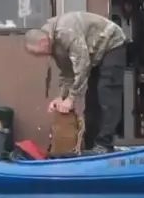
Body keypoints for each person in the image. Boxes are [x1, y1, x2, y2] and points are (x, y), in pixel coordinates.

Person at [24, 11, 127, 153]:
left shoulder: (65, 32)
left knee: (106, 93)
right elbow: (67, 72)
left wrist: (71, 99)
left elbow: (82, 64)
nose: (39, 57)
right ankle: (91, 145)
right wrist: (62, 97)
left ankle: (104, 144)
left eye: (38, 53)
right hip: (94, 53)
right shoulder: (53, 44)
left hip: (111, 44)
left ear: (42, 42)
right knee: (91, 101)